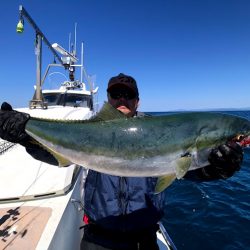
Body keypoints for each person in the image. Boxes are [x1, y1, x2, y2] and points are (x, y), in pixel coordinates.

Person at [0, 73, 243, 250]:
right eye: (116, 94)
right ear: (108, 99)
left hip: (144, 241)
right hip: (98, 238)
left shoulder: (160, 132)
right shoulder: (89, 131)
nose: (122, 99)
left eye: (129, 95)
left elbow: (190, 169)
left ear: (138, 101)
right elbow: (57, 155)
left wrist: (219, 168)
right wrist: (23, 133)